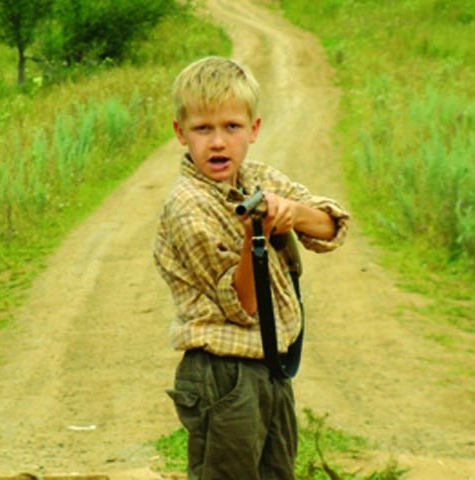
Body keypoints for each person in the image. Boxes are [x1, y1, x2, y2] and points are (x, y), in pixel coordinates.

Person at [153, 56, 350, 479]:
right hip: (223, 375)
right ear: (181, 133)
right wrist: (254, 237)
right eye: (203, 129)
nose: (218, 142)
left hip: (271, 368)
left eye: (232, 127)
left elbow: (333, 227)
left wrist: (291, 213)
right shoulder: (187, 205)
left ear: (254, 129)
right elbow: (242, 305)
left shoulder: (258, 178)